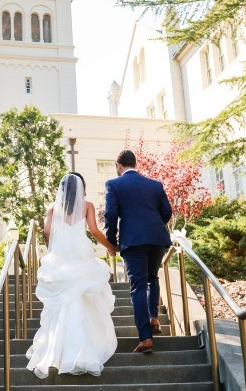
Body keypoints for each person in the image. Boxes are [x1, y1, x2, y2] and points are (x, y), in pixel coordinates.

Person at [26, 172, 119, 379]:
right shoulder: (87, 206)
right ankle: (85, 348)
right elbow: (94, 231)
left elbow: (47, 231)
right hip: (81, 254)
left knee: (63, 303)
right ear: (81, 188)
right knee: (82, 298)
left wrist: (54, 250)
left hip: (61, 256)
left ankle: (60, 350)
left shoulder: (53, 208)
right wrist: (111, 247)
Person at [104, 150, 172, 354]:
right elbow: (167, 212)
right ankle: (153, 317)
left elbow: (111, 215)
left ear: (118, 165)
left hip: (133, 241)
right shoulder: (155, 184)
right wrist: (153, 226)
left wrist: (111, 242)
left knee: (138, 287)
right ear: (135, 163)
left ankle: (145, 338)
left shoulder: (113, 184)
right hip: (157, 238)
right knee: (153, 277)